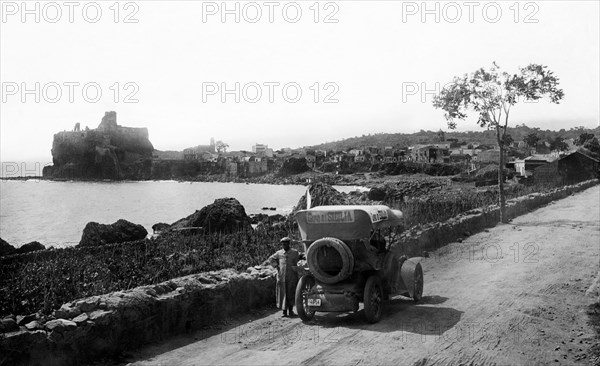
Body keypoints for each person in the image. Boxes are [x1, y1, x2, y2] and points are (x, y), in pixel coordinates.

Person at [266, 237, 301, 317]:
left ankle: (291, 311)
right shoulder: (279, 253)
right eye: (283, 243)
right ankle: (284, 312)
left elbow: (299, 258)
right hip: (282, 277)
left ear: (289, 244)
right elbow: (271, 259)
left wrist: (297, 266)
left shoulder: (294, 252)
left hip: (292, 277)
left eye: (286, 243)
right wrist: (276, 266)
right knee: (282, 294)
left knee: (290, 293)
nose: (284, 245)